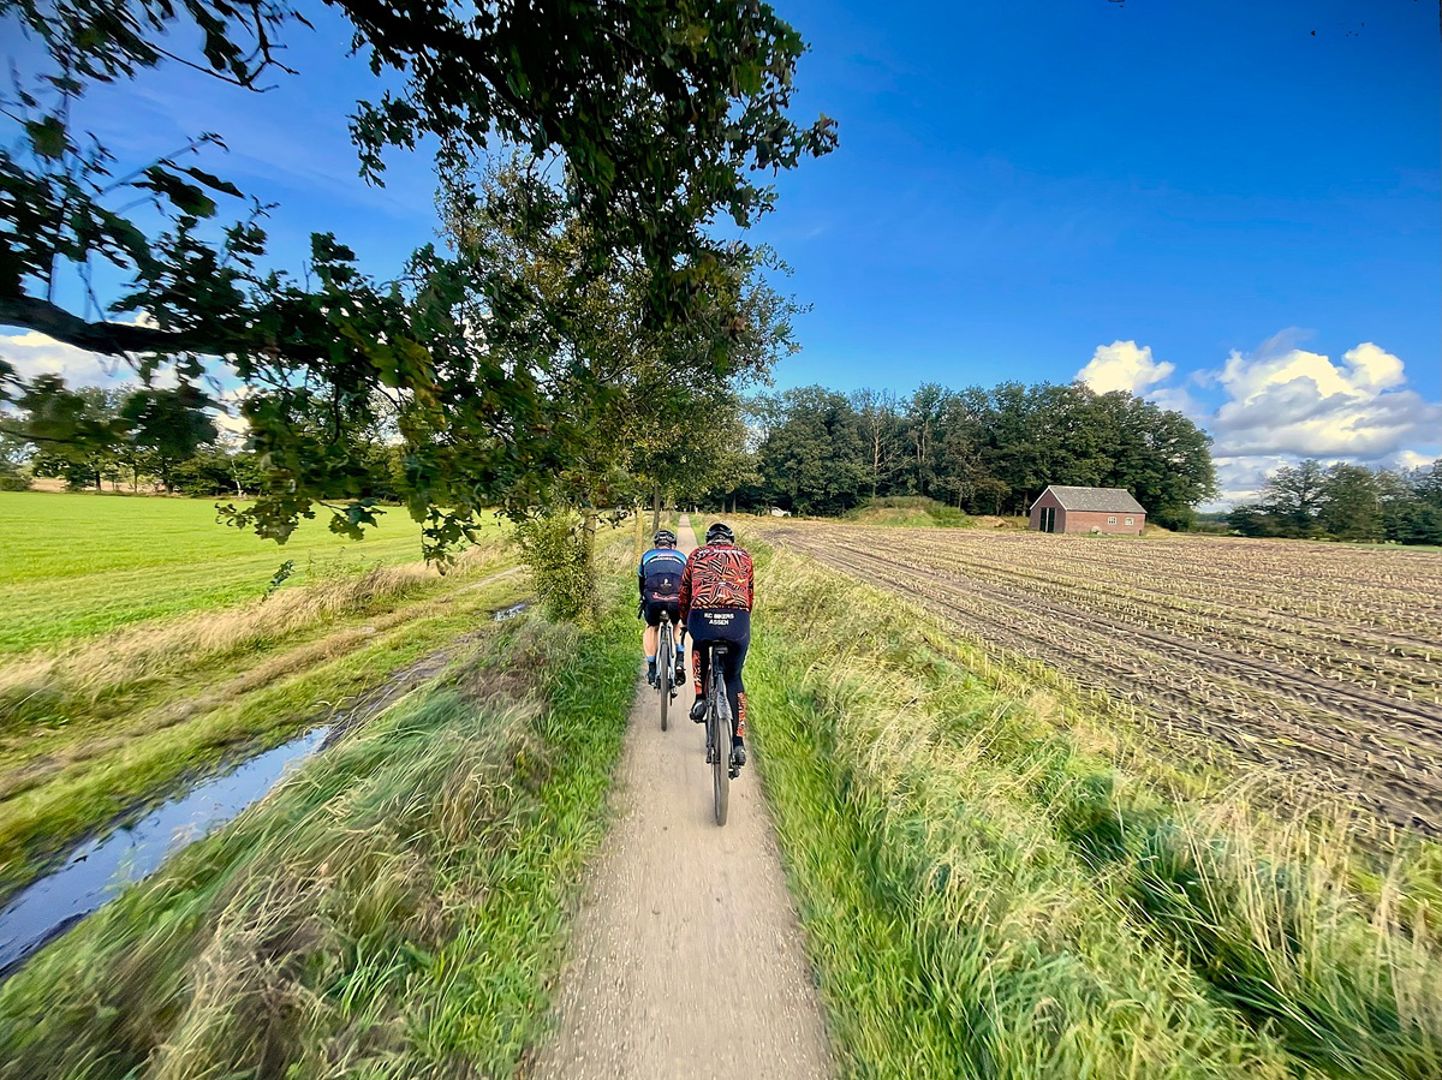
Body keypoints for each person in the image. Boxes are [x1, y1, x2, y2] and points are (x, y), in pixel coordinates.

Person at [679, 521, 753, 772]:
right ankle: (738, 742)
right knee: (734, 676)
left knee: (699, 644)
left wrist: (685, 620)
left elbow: (685, 593)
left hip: (703, 617)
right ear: (730, 540)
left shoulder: (696, 555)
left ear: (709, 539)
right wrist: (742, 620)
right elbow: (749, 594)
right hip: (737, 621)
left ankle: (700, 698)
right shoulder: (744, 556)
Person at [638, 528, 687, 688]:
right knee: (677, 623)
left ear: (656, 545)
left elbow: (642, 582)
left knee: (652, 627)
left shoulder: (647, 556)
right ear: (673, 545)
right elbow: (687, 583)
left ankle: (652, 668)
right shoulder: (681, 557)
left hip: (654, 600)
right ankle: (680, 658)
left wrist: (643, 598)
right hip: (675, 600)